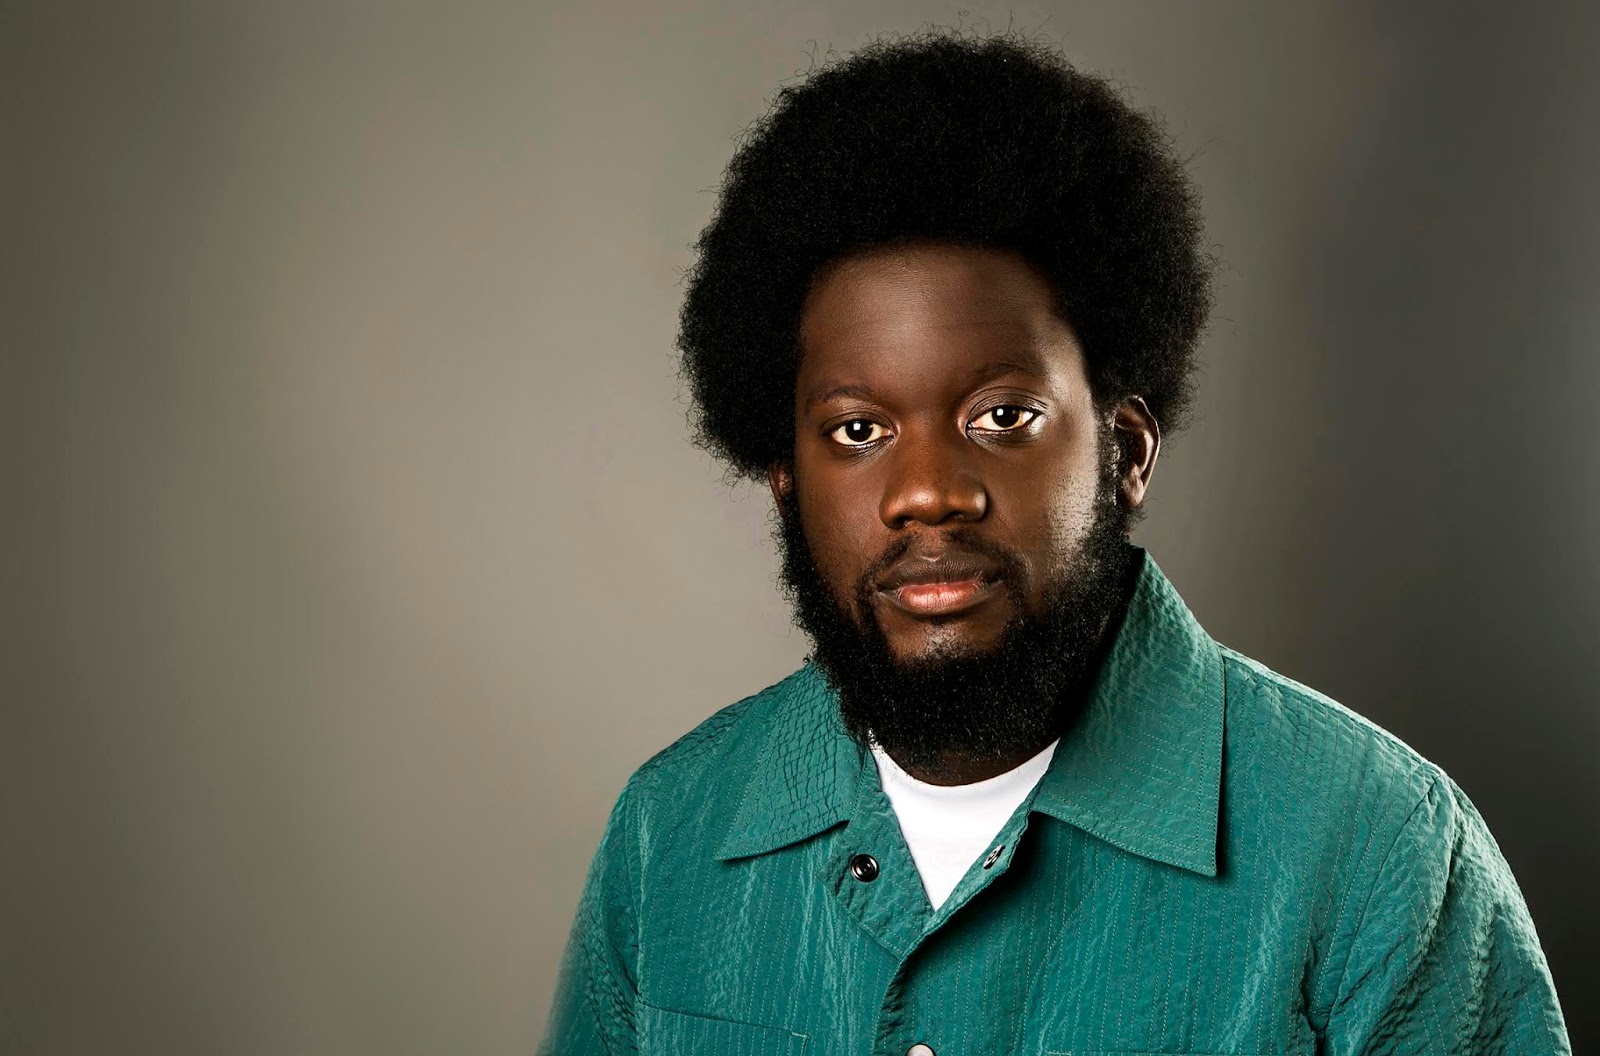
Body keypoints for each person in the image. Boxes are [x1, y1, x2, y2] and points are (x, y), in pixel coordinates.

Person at [539, 30, 1571, 1056]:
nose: (929, 494)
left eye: (1002, 417)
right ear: (785, 478)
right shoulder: (667, 836)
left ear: (1125, 450)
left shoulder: (1379, 854)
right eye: (857, 431)